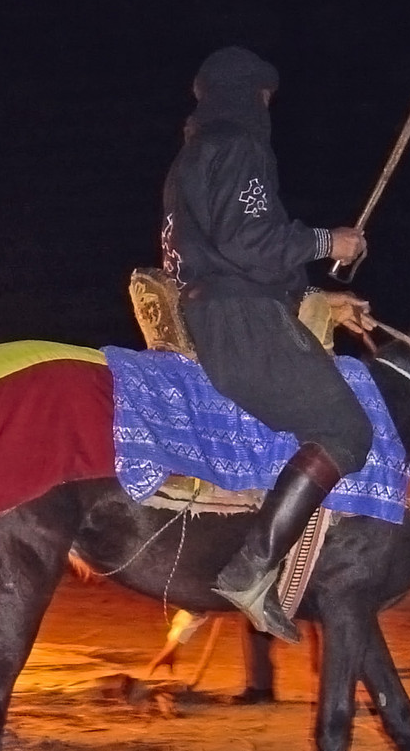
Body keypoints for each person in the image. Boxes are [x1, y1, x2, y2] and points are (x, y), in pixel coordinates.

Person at [160, 45, 374, 643]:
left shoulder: (194, 158)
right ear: (247, 95)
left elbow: (226, 252)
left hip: (225, 314)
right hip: (243, 325)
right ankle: (251, 568)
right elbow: (251, 242)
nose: (266, 109)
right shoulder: (239, 147)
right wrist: (328, 242)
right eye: (263, 97)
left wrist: (319, 299)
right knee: (348, 431)